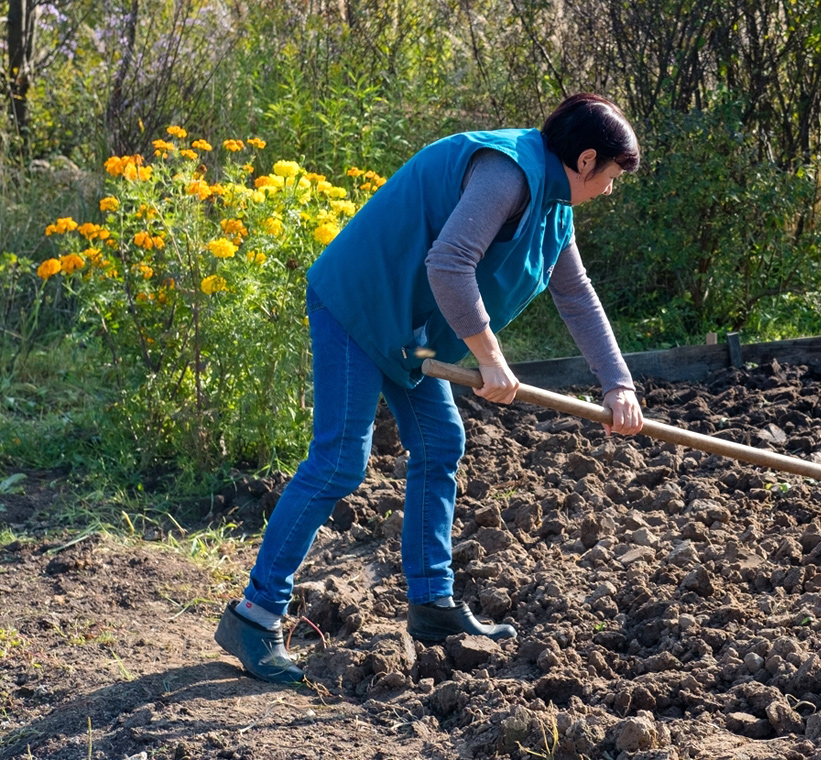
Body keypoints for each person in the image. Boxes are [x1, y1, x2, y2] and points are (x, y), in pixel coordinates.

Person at [214, 93, 645, 684]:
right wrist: (490, 358)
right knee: (341, 461)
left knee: (440, 444)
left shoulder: (554, 208)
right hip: (359, 305)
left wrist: (618, 384)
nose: (610, 191)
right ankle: (255, 616)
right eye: (613, 177)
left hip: (409, 334)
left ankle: (432, 606)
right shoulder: (508, 173)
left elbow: (576, 296)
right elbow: (450, 263)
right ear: (588, 158)